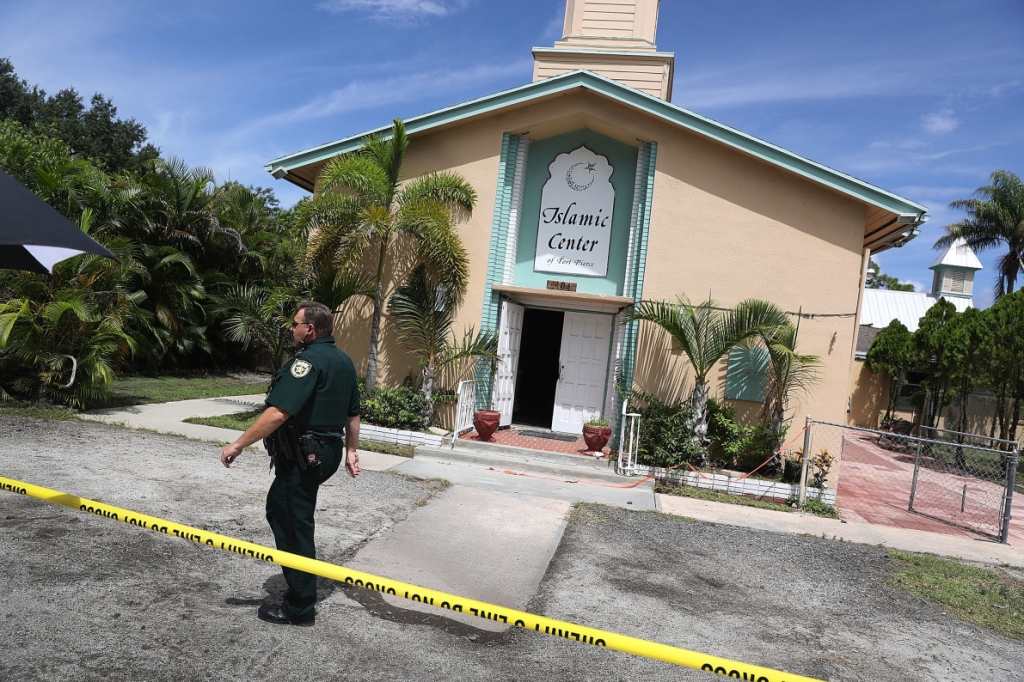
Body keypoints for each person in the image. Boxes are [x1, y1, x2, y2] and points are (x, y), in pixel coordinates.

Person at [220, 301, 361, 627]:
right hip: (326, 452)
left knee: (291, 519)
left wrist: (238, 444)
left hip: (304, 454)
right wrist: (352, 451)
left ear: (310, 329)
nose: (292, 329)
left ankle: (299, 606)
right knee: (285, 510)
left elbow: (278, 413)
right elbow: (353, 414)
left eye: (296, 324)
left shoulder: (307, 362)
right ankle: (301, 591)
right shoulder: (343, 361)